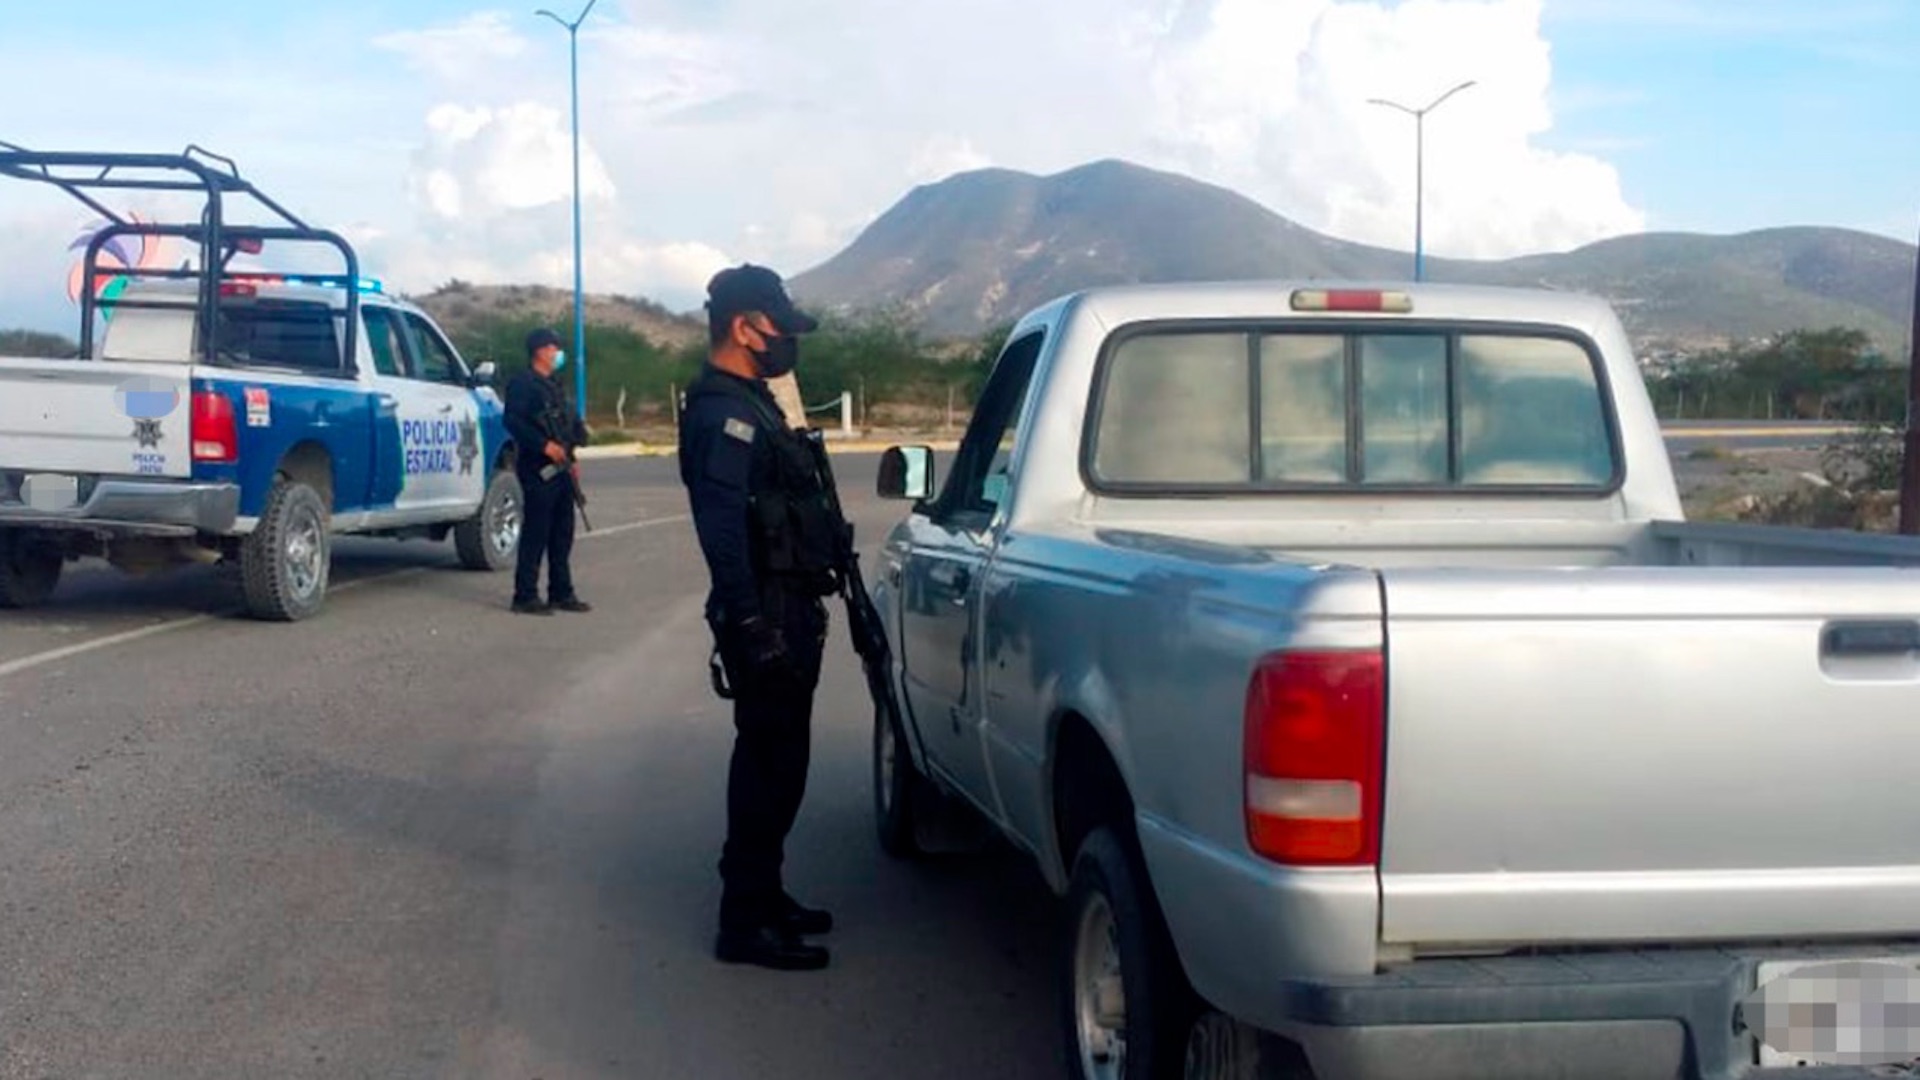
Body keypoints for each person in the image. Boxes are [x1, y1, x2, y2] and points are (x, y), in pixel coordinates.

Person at [679, 264, 840, 972]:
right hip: (765, 613)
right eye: (779, 329)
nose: (787, 342)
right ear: (744, 327)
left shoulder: (754, 401)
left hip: (787, 605)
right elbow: (719, 530)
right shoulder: (723, 412)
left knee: (785, 760)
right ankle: (743, 918)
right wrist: (750, 625)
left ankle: (765, 892)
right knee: (767, 764)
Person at [504, 327, 592, 616]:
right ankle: (525, 594)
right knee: (537, 532)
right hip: (538, 467)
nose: (557, 353)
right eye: (553, 348)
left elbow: (569, 425)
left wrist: (572, 454)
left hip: (562, 468)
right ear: (540, 350)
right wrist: (544, 446)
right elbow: (514, 421)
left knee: (562, 533)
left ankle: (561, 591)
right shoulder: (523, 384)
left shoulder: (554, 385)